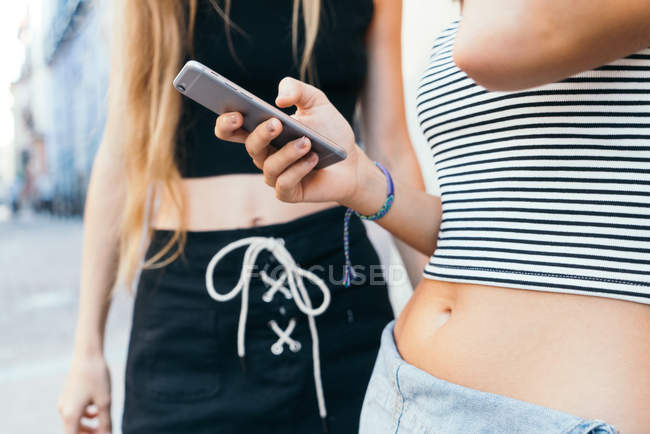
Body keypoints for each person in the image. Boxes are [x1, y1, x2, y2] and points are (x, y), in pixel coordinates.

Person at [214, 0, 650, 432]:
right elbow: (484, 235)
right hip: (405, 394)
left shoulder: (496, 24)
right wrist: (362, 182)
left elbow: (493, 43)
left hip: (559, 414)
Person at [57, 0, 426, 433]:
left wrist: (444, 311)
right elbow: (122, 147)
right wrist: (87, 352)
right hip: (187, 302)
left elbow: (391, 148)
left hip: (334, 289)